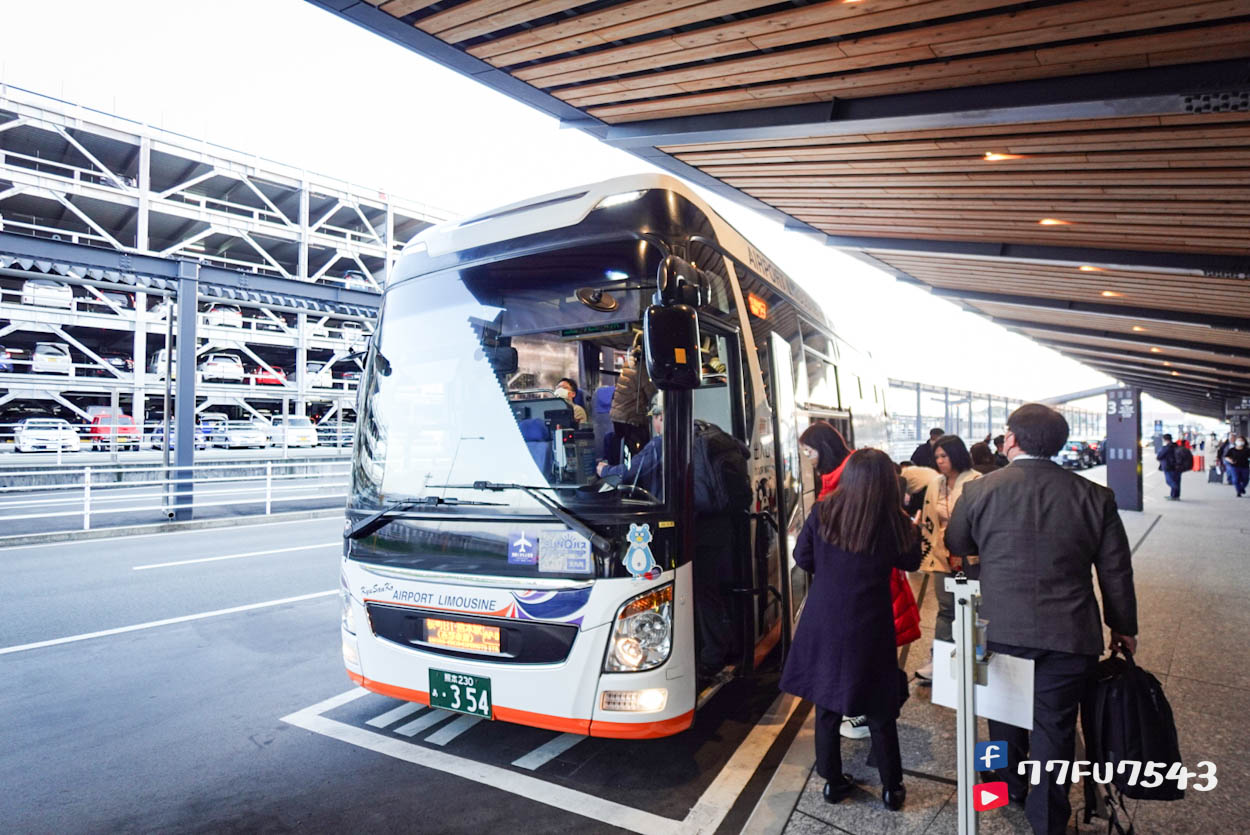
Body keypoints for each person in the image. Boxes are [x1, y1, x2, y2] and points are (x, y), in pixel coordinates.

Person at [946, 403, 1137, 835]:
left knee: (1000, 721)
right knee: (1056, 727)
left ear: (1011, 439)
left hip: (999, 630)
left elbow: (957, 541)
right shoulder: (1095, 496)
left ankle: (1001, 788)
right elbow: (1115, 570)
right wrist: (1123, 627)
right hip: (1070, 636)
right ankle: (1048, 817)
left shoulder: (980, 490)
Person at [779, 449, 921, 812]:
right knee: (879, 707)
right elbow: (911, 561)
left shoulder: (824, 511)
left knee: (826, 704)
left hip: (824, 619)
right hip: (870, 622)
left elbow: (803, 559)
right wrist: (915, 527)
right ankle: (892, 788)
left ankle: (832, 782)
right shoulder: (897, 522)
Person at [914, 434, 980, 682]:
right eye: (937, 456)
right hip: (942, 556)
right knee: (945, 608)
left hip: (967, 558)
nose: (940, 461)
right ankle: (939, 660)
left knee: (969, 606)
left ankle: (970, 656)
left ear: (957, 455)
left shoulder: (975, 481)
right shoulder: (936, 484)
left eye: (944, 455)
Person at [597, 394, 662, 497]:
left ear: (661, 417)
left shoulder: (659, 443)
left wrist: (605, 471)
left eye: (653, 418)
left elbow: (632, 470)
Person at [610, 335, 657, 454]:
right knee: (640, 454)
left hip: (619, 416)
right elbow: (652, 393)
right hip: (632, 418)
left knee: (625, 454)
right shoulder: (643, 364)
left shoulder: (631, 361)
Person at [799, 422, 851, 495]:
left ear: (822, 448)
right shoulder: (845, 469)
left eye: (808, 452)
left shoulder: (848, 477)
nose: (808, 459)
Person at [1156, 433, 1183, 500]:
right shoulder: (1177, 446)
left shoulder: (1167, 447)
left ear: (1165, 440)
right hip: (1178, 466)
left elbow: (1159, 456)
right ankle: (1175, 496)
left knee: (1170, 481)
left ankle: (1175, 490)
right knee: (1177, 481)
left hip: (1169, 467)